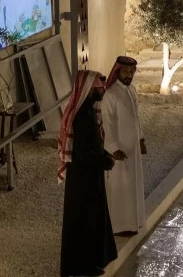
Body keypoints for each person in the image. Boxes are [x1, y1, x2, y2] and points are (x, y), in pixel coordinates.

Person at [58, 70, 117, 277]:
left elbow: (94, 145)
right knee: (82, 220)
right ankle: (81, 266)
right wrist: (104, 161)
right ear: (90, 89)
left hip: (91, 174)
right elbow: (82, 153)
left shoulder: (89, 112)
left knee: (92, 218)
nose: (103, 91)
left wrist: (105, 155)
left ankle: (90, 262)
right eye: (100, 87)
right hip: (82, 178)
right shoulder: (82, 117)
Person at [103, 57, 146, 237]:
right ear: (118, 72)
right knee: (120, 185)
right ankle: (119, 226)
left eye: (131, 72)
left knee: (132, 184)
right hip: (119, 149)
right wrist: (113, 148)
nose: (128, 75)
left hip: (133, 147)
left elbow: (136, 118)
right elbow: (107, 123)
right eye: (125, 71)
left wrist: (141, 139)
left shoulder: (131, 90)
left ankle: (134, 221)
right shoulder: (110, 94)